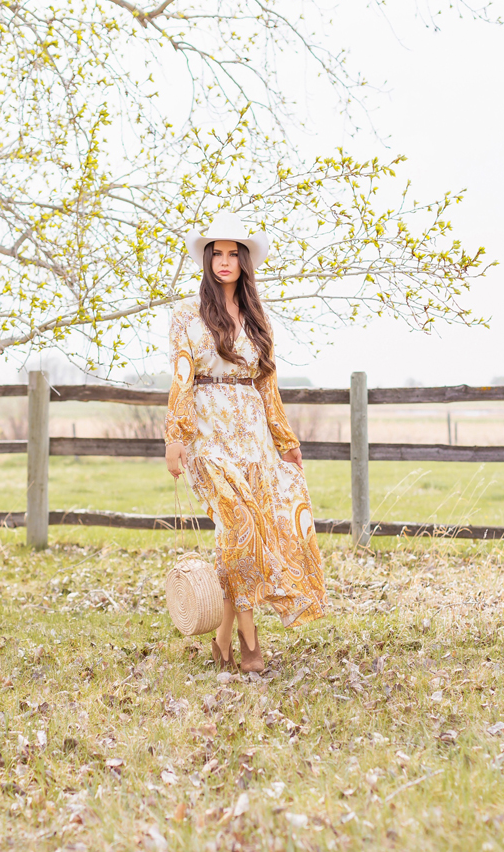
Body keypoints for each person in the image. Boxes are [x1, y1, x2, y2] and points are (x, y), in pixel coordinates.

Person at [164, 211, 326, 673]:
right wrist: (175, 437)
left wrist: (285, 439)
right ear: (208, 259)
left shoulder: (257, 318)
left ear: (245, 262)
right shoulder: (184, 316)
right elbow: (181, 380)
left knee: (243, 536)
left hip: (252, 437)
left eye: (234, 254)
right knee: (238, 528)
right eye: (218, 252)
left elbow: (267, 384)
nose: (225, 261)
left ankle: (220, 642)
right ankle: (249, 642)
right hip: (208, 436)